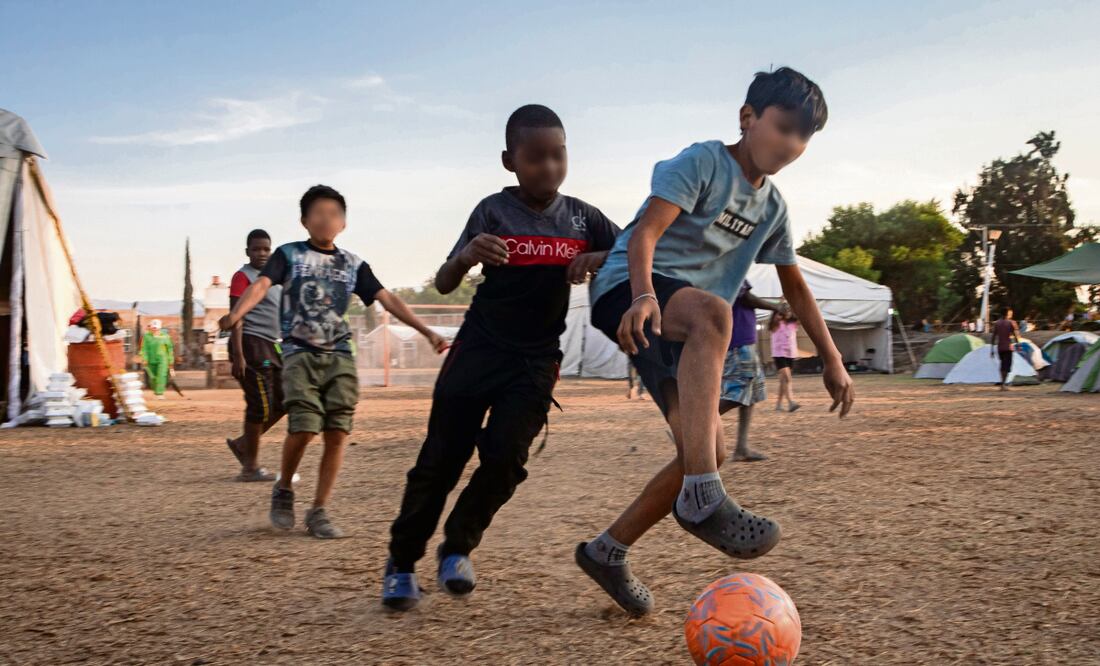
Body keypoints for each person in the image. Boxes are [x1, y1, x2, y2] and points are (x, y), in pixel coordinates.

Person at [575, 67, 854, 616]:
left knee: (708, 448)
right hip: (632, 296)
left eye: (804, 136)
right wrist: (641, 296)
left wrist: (832, 357)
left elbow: (794, 284)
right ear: (748, 118)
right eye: (784, 127)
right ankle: (704, 497)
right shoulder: (702, 162)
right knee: (713, 314)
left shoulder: (772, 207)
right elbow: (648, 232)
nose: (793, 144)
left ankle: (606, 551)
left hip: (680, 328)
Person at [382, 105, 620, 611]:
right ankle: (402, 563)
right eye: (536, 158)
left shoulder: (584, 217)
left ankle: (457, 548)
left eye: (558, 155)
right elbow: (445, 280)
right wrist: (467, 254)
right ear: (510, 160)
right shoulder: (492, 211)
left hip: (535, 361)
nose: (549, 168)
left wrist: (598, 257)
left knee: (507, 460)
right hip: (479, 350)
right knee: (439, 463)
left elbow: (637, 249)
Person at [220, 185, 446, 539]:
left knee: (338, 431)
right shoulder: (288, 255)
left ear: (343, 223)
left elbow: (387, 299)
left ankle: (319, 510)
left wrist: (426, 330)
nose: (326, 220)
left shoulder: (353, 264)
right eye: (318, 214)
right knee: (305, 425)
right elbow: (262, 285)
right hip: (298, 352)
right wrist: (237, 313)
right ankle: (284, 489)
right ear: (304, 221)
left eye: (334, 214)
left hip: (339, 355)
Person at [224, 229, 284, 482]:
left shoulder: (274, 279)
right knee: (259, 405)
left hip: (271, 345)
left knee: (285, 399)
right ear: (247, 251)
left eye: (266, 249)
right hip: (249, 344)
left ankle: (243, 444)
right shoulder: (242, 277)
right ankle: (250, 468)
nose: (261, 253)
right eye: (256, 249)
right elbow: (236, 316)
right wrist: (239, 354)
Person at [722, 282, 785, 461]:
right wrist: (776, 306)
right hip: (738, 342)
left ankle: (741, 448)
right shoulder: (733, 264)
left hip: (743, 342)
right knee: (736, 395)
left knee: (749, 396)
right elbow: (748, 298)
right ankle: (690, 430)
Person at [770, 309, 801, 412]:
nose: (787, 313)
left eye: (789, 312)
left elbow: (800, 316)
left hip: (790, 354)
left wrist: (791, 303)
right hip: (779, 354)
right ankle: (791, 402)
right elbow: (774, 318)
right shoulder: (776, 324)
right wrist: (779, 306)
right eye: (784, 312)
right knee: (788, 379)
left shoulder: (793, 324)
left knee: (783, 380)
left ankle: (778, 405)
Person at [140, 319, 174, 400]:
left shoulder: (166, 336)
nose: (155, 329)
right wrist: (144, 358)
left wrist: (171, 360)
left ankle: (160, 393)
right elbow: (143, 348)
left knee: (162, 375)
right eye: (153, 328)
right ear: (150, 328)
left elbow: (169, 349)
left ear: (160, 328)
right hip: (150, 360)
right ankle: (156, 391)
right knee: (153, 377)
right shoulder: (146, 337)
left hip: (163, 359)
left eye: (156, 328)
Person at [991, 308, 1020, 391]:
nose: (1011, 314)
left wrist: (992, 349)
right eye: (1010, 313)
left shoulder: (997, 323)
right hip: (1008, 347)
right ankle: (1003, 384)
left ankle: (1002, 383)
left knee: (1002, 365)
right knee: (1006, 366)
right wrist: (1018, 345)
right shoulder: (1011, 323)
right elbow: (1015, 335)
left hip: (1000, 348)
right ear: (1007, 314)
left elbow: (993, 337)